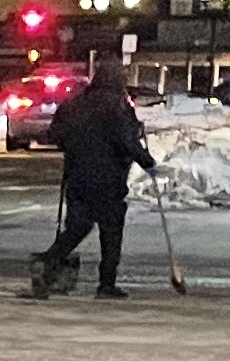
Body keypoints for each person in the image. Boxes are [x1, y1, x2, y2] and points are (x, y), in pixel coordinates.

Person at [29, 71, 162, 300]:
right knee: (111, 231)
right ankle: (106, 284)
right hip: (109, 179)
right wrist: (147, 162)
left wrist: (76, 146)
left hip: (77, 176)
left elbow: (55, 134)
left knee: (78, 226)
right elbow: (127, 140)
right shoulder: (117, 108)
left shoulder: (74, 105)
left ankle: (48, 261)